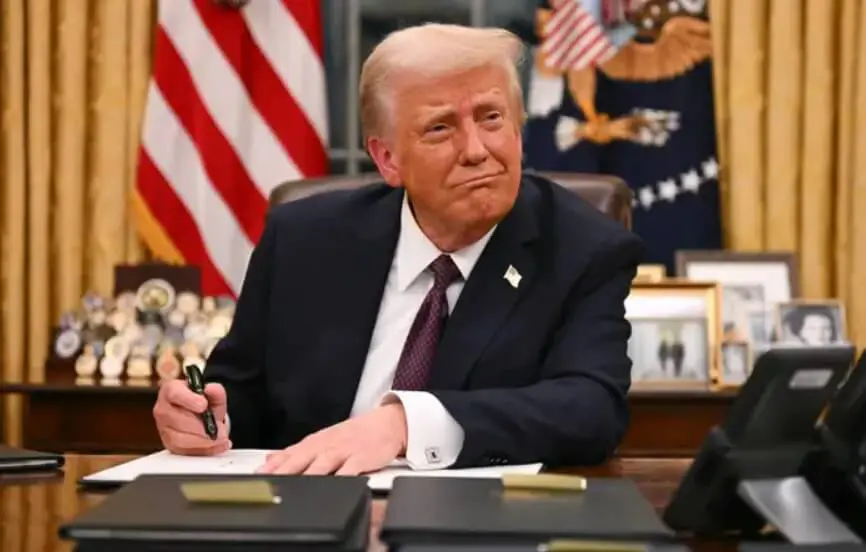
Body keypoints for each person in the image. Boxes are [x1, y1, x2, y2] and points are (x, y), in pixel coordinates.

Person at [152, 23, 644, 475]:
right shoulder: (303, 239)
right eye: (441, 128)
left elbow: (591, 409)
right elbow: (240, 394)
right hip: (309, 515)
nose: (476, 149)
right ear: (388, 160)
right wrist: (204, 419)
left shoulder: (584, 249)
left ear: (517, 130)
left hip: (481, 527)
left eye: (492, 118)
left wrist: (405, 424)